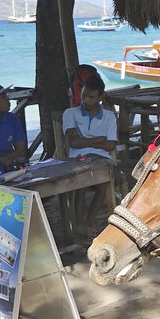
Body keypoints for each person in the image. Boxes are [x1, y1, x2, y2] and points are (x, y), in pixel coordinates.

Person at [62, 74, 117, 230]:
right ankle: (81, 225)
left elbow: (111, 145)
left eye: (91, 97)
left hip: (101, 158)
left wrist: (85, 142)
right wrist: (99, 140)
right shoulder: (70, 113)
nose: (86, 100)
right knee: (81, 182)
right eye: (84, 95)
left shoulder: (109, 116)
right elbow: (73, 142)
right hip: (77, 159)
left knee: (102, 183)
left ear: (101, 97)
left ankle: (85, 225)